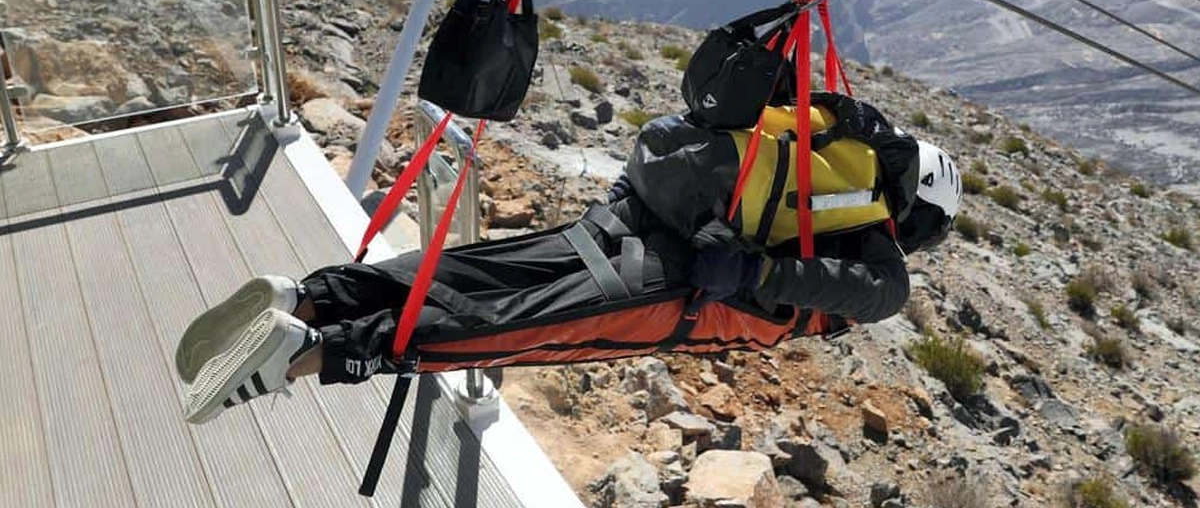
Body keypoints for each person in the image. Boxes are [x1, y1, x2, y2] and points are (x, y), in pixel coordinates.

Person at [175, 95, 961, 425]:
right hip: (679, 291)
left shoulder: (833, 136)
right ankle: (311, 354)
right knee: (504, 328)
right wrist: (754, 276)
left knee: (480, 270)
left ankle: (312, 296)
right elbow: (873, 296)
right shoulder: (879, 244)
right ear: (920, 213)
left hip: (634, 213)